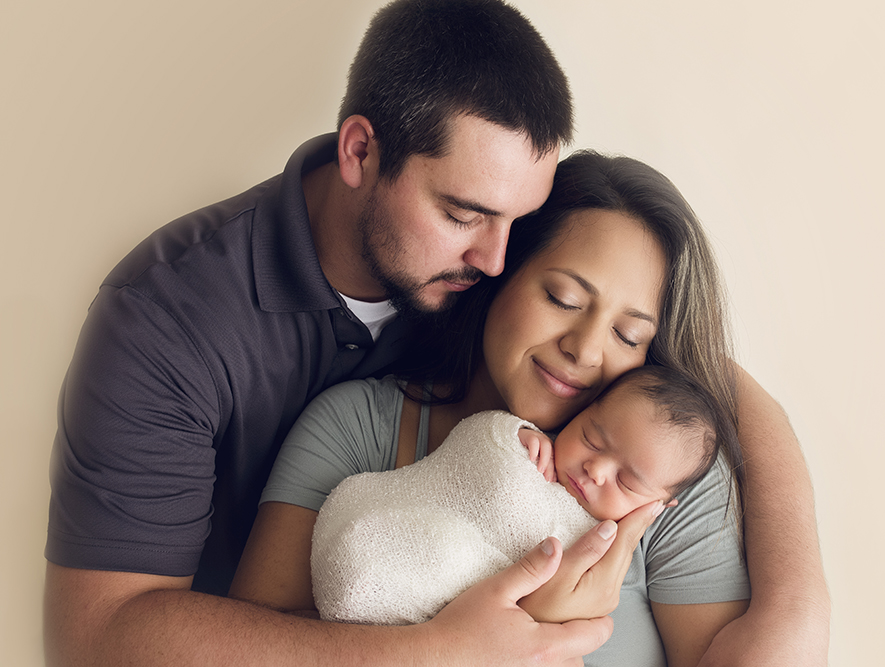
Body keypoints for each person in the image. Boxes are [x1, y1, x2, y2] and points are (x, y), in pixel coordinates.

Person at [43, 2, 621, 665]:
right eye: (464, 214)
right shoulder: (164, 318)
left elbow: (664, 341)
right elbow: (92, 638)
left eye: (519, 221)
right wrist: (431, 653)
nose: (496, 259)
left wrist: (771, 616)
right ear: (360, 150)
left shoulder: (491, 266)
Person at [231, 151, 751, 667]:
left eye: (627, 334)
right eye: (563, 298)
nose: (586, 351)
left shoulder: (667, 469)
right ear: (500, 271)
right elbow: (246, 648)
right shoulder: (355, 429)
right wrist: (458, 645)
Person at [309, 364, 737, 628]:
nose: (596, 469)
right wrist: (514, 435)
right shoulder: (531, 449)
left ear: (657, 507)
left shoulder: (607, 557)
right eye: (591, 437)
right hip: (370, 540)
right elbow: (480, 449)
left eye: (627, 482)